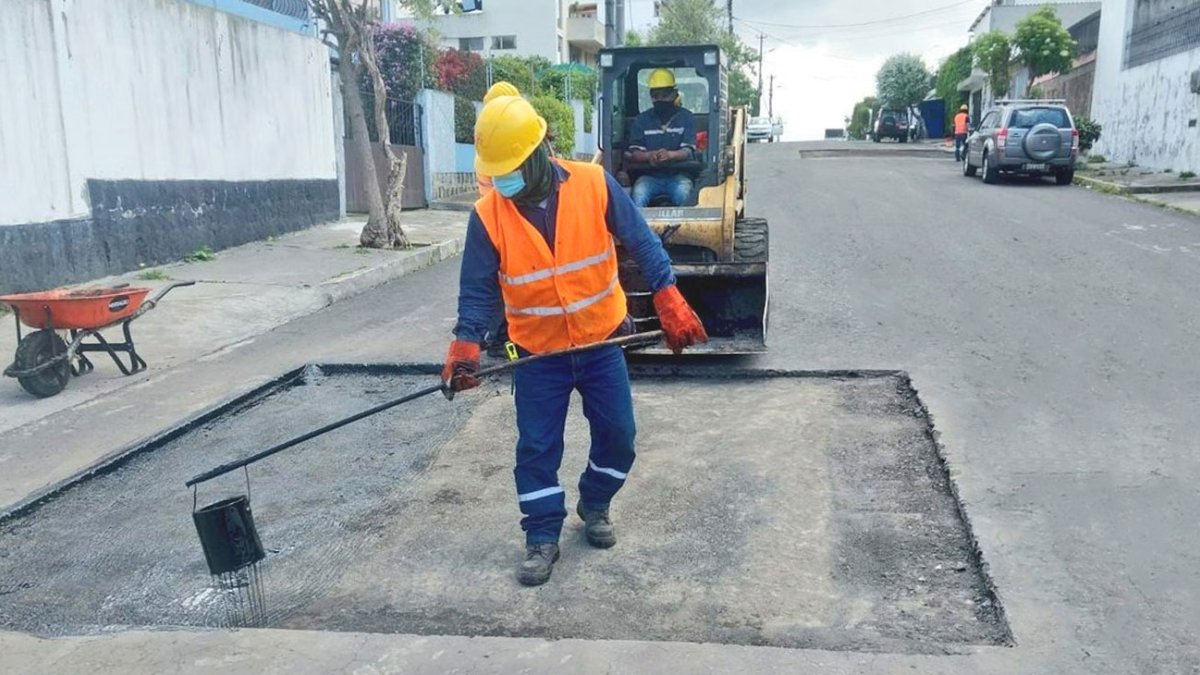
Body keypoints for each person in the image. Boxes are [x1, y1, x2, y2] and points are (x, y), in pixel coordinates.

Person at [444, 95, 708, 586]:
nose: (503, 182)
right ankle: (541, 535)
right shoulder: (487, 216)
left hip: (600, 343)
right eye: (497, 173)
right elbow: (477, 291)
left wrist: (668, 294)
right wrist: (466, 344)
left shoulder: (592, 183)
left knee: (619, 436)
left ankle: (595, 501)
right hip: (536, 354)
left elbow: (642, 241)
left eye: (511, 171)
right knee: (537, 447)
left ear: (539, 152)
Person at [625, 68, 697, 207]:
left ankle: (686, 222)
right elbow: (635, 152)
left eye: (665, 95)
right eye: (656, 96)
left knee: (684, 193)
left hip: (678, 176)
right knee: (639, 193)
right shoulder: (641, 120)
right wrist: (650, 156)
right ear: (651, 97)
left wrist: (670, 155)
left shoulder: (686, 118)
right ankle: (638, 221)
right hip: (649, 177)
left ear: (674, 94)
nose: (660, 100)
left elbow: (688, 150)